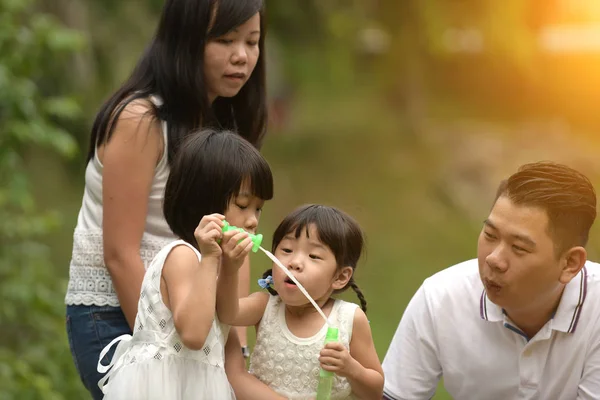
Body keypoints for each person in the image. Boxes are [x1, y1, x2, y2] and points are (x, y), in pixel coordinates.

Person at [64, 1, 267, 398]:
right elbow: (120, 254)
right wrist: (169, 349)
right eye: (225, 40)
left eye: (253, 41)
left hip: (195, 317)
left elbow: (234, 247)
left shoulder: (227, 127)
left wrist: (234, 352)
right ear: (186, 40)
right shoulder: (140, 120)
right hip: (118, 315)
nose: (242, 56)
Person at [382, 161, 600, 400]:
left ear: (570, 263)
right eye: (490, 235)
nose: (494, 259)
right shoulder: (441, 298)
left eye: (518, 247)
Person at [97, 128, 273, 399]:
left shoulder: (213, 264)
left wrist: (230, 267)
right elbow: (192, 334)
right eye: (242, 205)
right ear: (204, 204)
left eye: (258, 209)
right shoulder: (183, 256)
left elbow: (227, 316)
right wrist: (213, 258)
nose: (253, 220)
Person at [217, 204, 384, 400]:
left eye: (314, 256)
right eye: (287, 250)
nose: (294, 262)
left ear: (340, 277)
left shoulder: (349, 318)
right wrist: (230, 267)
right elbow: (227, 313)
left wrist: (351, 368)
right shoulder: (265, 306)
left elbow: (375, 392)